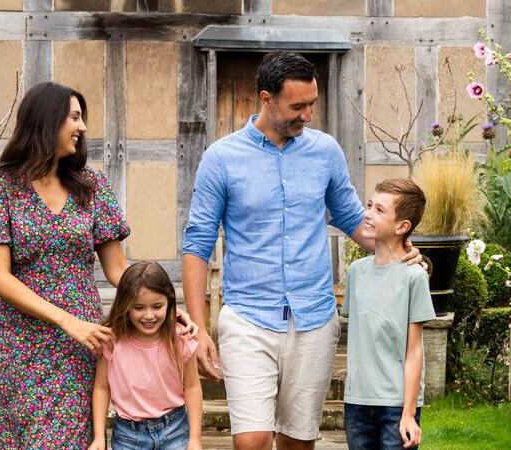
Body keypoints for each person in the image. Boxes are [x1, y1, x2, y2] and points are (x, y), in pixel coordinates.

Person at [180, 51, 420, 450]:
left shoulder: (325, 152)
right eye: (297, 106)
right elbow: (197, 245)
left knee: (298, 440)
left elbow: (350, 217)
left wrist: (399, 248)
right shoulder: (220, 159)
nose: (307, 115)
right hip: (248, 318)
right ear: (266, 98)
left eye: (312, 104)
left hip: (313, 318)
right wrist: (200, 328)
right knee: (252, 440)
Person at [0, 81, 130, 449]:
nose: (83, 127)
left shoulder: (92, 186)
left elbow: (118, 269)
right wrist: (65, 320)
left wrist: (165, 303)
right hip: (18, 345)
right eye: (75, 117)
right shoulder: (1, 186)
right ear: (47, 120)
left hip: (81, 346)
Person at [340, 179, 436, 450]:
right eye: (369, 205)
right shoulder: (356, 273)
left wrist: (408, 414)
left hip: (396, 406)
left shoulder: (414, 277)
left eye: (379, 210)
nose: (368, 214)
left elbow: (414, 351)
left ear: (402, 226)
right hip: (357, 403)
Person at [90, 262, 204, 450]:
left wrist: (195, 438)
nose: (149, 315)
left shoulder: (181, 338)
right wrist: (98, 437)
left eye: (157, 306)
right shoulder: (112, 341)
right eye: (139, 307)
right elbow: (101, 388)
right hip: (129, 436)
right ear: (125, 305)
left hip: (175, 429)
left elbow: (192, 387)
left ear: (169, 303)